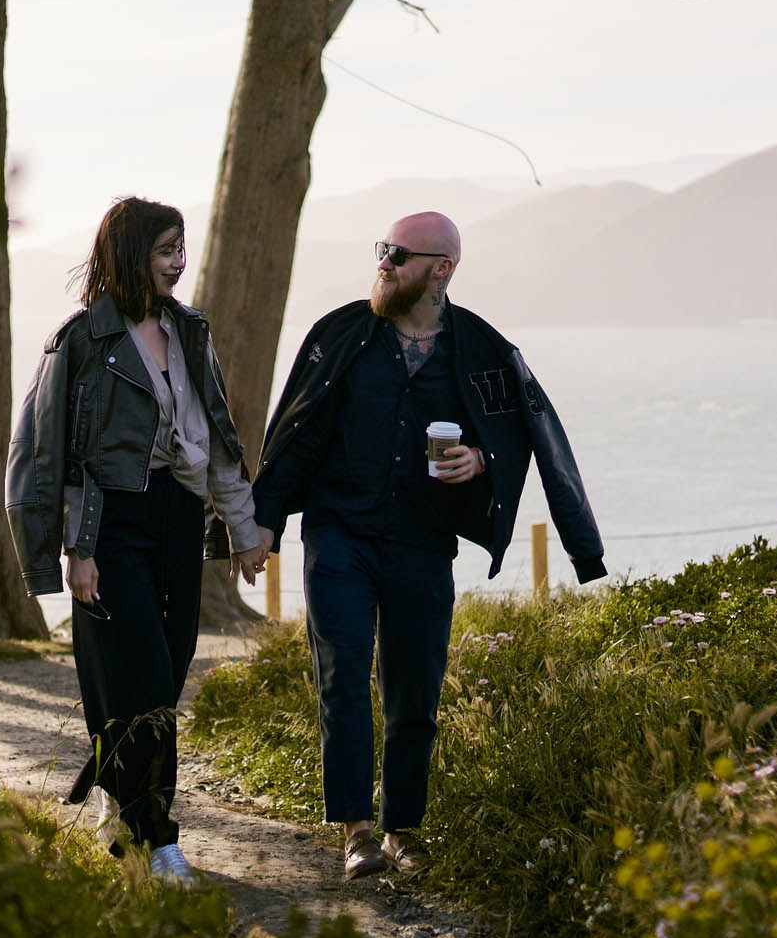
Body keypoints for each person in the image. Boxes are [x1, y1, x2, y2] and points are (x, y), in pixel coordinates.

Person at [251, 211, 605, 881]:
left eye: (398, 255)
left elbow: (533, 438)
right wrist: (262, 524)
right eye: (380, 250)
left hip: (422, 543)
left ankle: (402, 830)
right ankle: (356, 831)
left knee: (415, 691)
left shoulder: (482, 350)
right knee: (344, 679)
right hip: (339, 536)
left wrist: (480, 463)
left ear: (441, 269)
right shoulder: (341, 333)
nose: (382, 263)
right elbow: (295, 430)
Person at [5, 197, 267, 885]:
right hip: (111, 524)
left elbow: (217, 437)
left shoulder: (190, 331)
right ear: (130, 256)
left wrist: (243, 531)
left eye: (182, 249)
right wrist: (75, 550)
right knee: (141, 680)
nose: (179, 263)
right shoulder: (82, 340)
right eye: (165, 251)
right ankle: (158, 838)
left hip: (179, 519)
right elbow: (47, 452)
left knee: (166, 674)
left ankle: (119, 802)